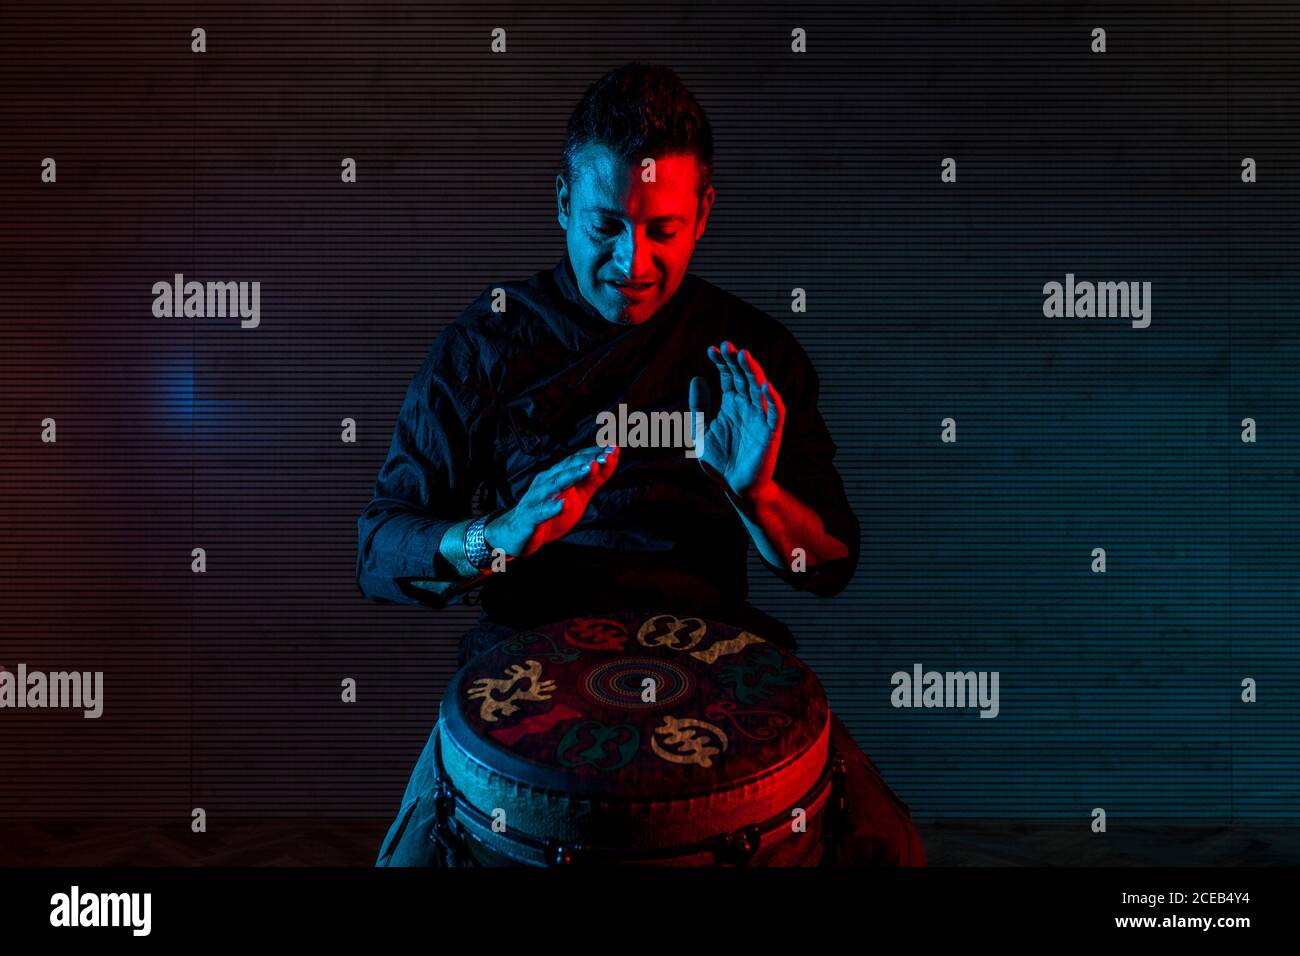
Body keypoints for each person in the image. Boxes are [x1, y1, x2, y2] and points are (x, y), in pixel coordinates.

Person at [358, 61, 926, 867]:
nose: (634, 262)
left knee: (891, 852)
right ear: (562, 205)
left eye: (663, 230)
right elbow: (379, 547)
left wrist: (758, 494)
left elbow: (829, 563)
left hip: (721, 674)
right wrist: (501, 537)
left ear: (703, 215)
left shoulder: (751, 353)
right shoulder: (485, 344)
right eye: (606, 227)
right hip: (524, 679)